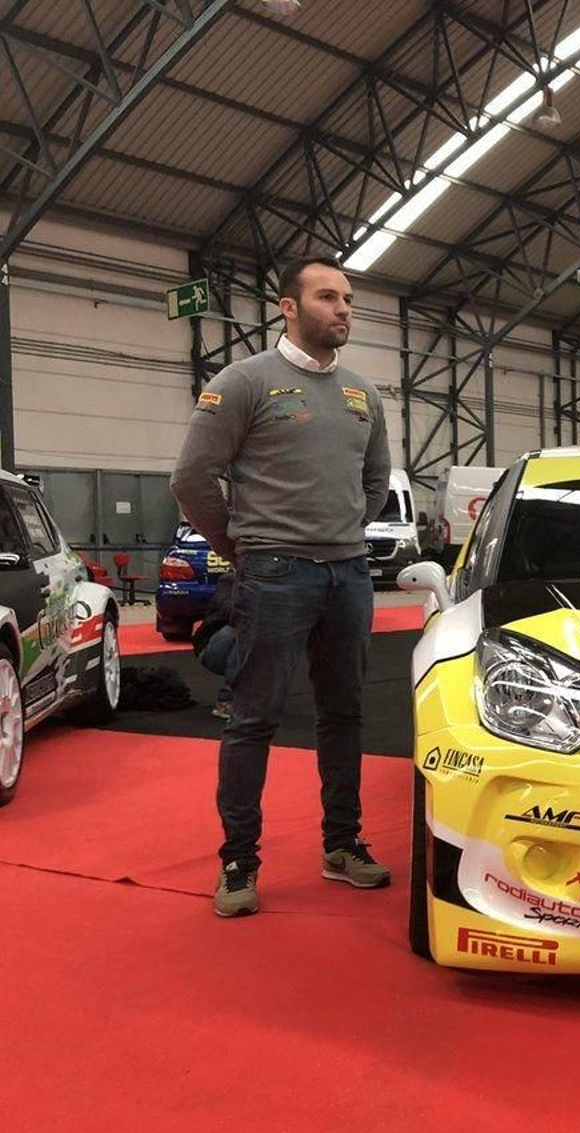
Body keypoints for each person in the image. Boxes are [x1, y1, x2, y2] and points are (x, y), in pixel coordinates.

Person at [171, 256, 393, 917]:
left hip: (348, 574)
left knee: (345, 714)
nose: (344, 308)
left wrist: (346, 529)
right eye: (328, 297)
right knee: (253, 719)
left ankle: (342, 844)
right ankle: (239, 863)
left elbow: (377, 481)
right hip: (274, 573)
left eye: (348, 298)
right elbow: (191, 477)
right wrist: (241, 547)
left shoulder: (363, 394)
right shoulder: (243, 383)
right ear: (289, 308)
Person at [193, 569, 239, 719]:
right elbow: (229, 610)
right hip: (212, 648)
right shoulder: (228, 581)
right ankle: (226, 700)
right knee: (244, 631)